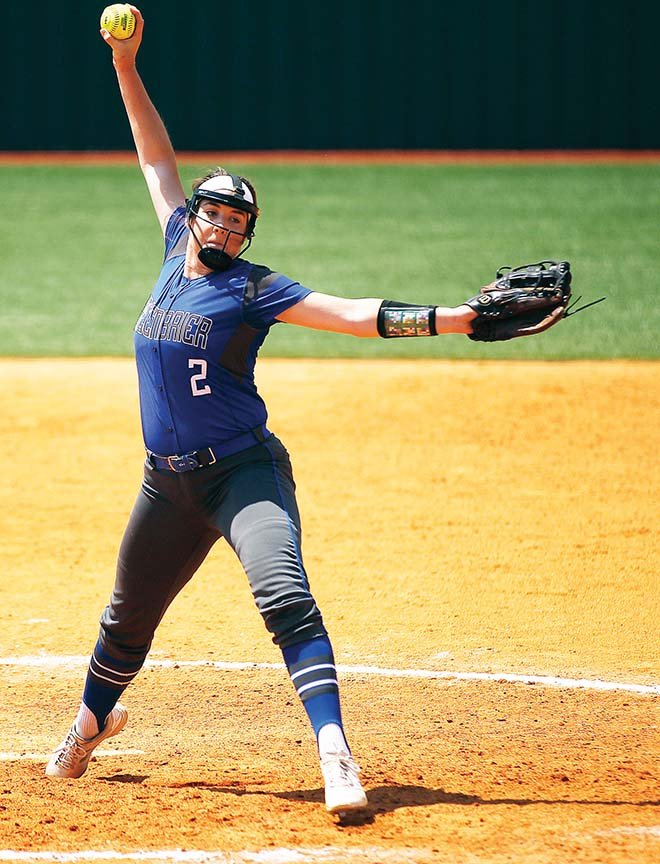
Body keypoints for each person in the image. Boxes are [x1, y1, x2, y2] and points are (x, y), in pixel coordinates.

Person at [45, 6, 477, 815]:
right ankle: (89, 725)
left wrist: (457, 318)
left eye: (236, 223)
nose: (221, 226)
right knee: (125, 616)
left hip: (242, 475)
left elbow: (353, 313)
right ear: (196, 216)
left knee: (284, 597)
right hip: (164, 486)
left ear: (246, 237)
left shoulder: (256, 289)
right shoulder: (176, 250)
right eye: (213, 213)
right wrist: (126, 67)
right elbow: (153, 157)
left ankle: (336, 755)